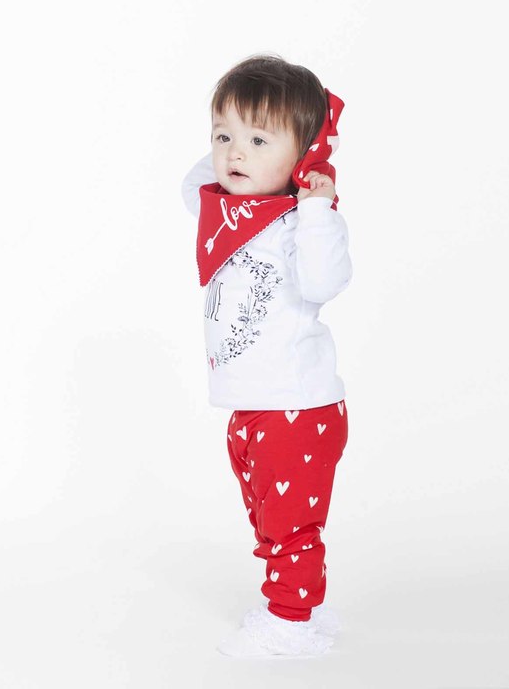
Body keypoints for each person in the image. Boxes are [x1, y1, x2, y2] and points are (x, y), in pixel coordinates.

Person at [181, 53, 352, 657]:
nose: (235, 154)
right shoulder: (225, 215)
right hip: (251, 403)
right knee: (266, 516)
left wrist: (315, 202)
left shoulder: (300, 224)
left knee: (288, 525)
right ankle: (305, 606)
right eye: (222, 136)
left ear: (302, 156)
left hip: (295, 404)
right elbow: (193, 185)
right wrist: (237, 141)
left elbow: (324, 282)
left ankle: (290, 624)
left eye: (258, 140)